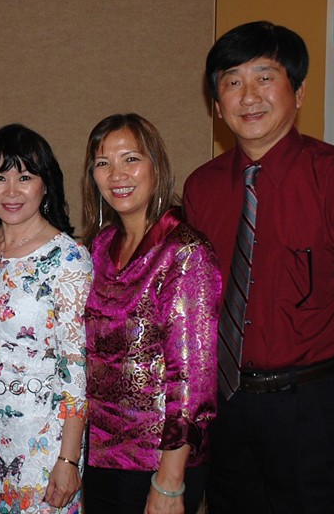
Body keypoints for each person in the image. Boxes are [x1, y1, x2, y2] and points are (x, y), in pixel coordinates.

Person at [183, 21, 334, 513]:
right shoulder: (201, 189)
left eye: (264, 77)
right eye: (232, 81)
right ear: (216, 104)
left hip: (319, 410)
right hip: (228, 411)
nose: (248, 96)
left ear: (299, 91)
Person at [79, 113, 220, 514]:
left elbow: (193, 382)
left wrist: (170, 481)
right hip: (100, 454)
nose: (116, 174)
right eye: (103, 163)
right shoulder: (100, 247)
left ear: (156, 165)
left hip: (158, 460)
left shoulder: (185, 251)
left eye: (131, 159)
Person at [0, 123, 92, 513]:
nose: (11, 191)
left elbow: (75, 366)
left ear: (45, 184)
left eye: (25, 177)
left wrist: (69, 459)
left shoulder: (67, 258)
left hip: (43, 439)